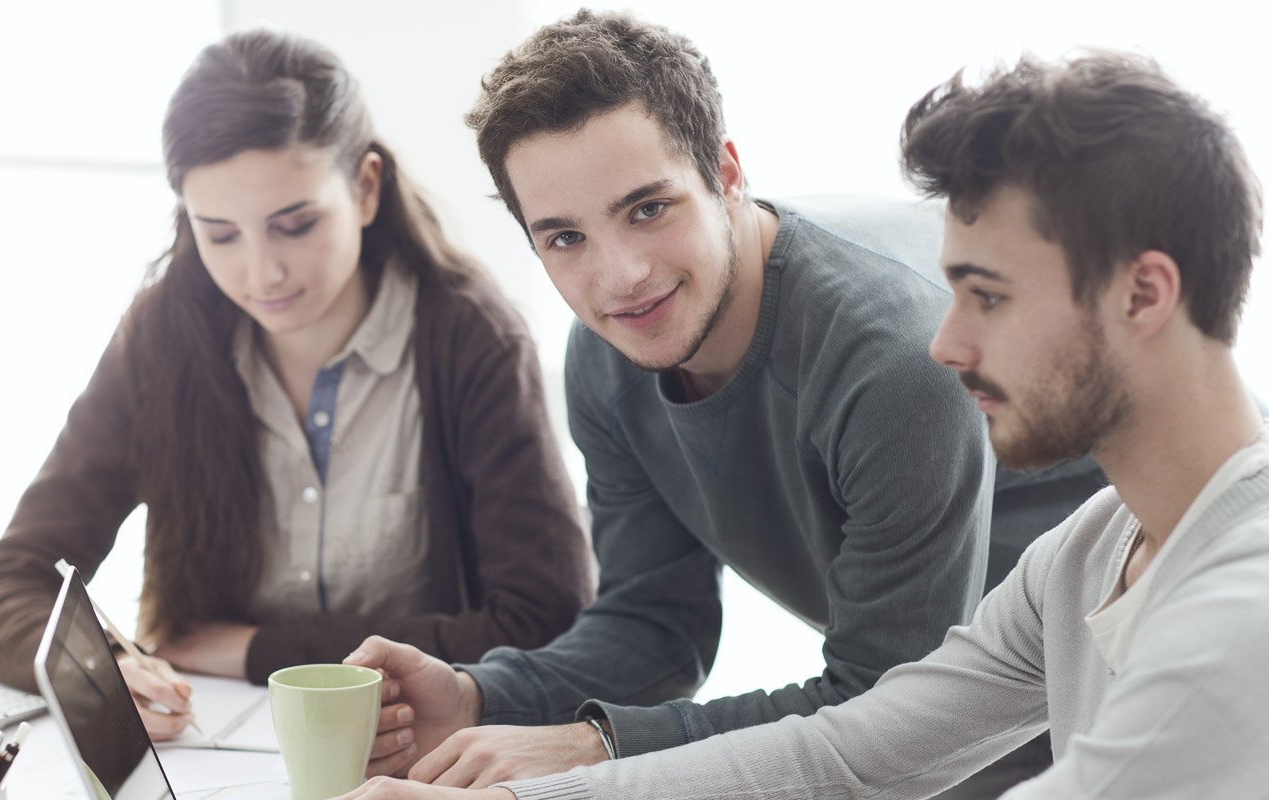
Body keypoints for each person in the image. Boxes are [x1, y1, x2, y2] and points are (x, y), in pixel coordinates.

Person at [341, 47, 1269, 800]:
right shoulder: (1088, 552)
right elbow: (852, 753)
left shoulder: (1234, 631)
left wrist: (581, 758)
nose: (947, 343)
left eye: (985, 295)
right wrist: (512, 781)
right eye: (566, 236)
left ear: (1144, 293)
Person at [0, 29, 595, 740]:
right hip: (217, 754)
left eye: (293, 225)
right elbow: (10, 585)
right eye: (221, 234)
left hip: (417, 760)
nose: (261, 273)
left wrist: (254, 651)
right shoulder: (162, 337)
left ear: (364, 189)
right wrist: (106, 666)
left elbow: (546, 620)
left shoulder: (468, 340)